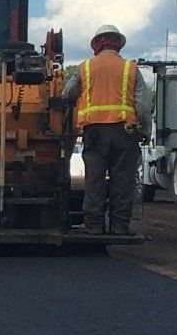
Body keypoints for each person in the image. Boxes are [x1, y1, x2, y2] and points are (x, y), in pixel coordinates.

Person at [59, 25, 154, 236]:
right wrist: (146, 130)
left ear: (97, 44)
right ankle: (120, 227)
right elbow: (144, 106)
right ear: (119, 44)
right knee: (123, 181)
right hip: (125, 133)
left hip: (94, 134)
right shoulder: (130, 68)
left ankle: (93, 226)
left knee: (95, 180)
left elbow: (67, 94)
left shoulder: (85, 68)